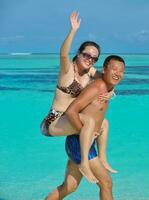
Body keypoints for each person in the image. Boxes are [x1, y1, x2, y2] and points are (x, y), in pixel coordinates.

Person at [40, 11, 116, 183]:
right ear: (79, 53)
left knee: (104, 123)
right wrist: (73, 30)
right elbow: (63, 54)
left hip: (70, 118)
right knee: (89, 123)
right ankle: (84, 163)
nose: (89, 59)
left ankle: (103, 158)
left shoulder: (90, 72)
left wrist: (112, 93)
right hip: (54, 120)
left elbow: (106, 81)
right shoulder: (67, 70)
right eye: (86, 55)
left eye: (94, 58)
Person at [46, 55, 125, 200]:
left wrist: (112, 93)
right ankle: (89, 161)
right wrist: (83, 132)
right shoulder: (97, 87)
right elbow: (72, 111)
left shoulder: (107, 88)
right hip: (79, 143)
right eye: (114, 69)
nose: (117, 73)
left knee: (69, 187)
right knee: (106, 183)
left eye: (121, 71)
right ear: (104, 70)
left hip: (80, 142)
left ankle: (102, 157)